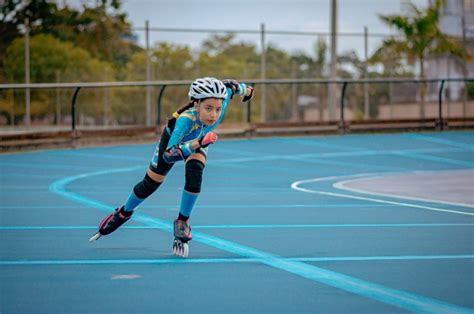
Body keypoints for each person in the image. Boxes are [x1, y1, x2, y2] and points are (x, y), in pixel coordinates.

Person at [89, 77, 254, 257]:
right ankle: (123, 212)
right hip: (174, 145)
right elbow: (169, 155)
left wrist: (246, 91)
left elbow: (232, 86)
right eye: (208, 109)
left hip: (199, 141)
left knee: (195, 176)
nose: (214, 115)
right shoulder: (184, 120)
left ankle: (182, 221)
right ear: (196, 104)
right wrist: (198, 142)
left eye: (217, 109)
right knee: (150, 185)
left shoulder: (220, 101)